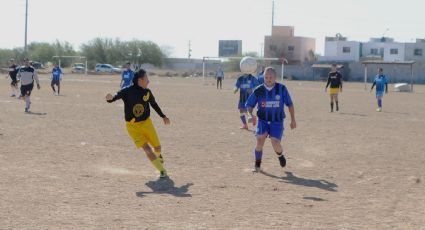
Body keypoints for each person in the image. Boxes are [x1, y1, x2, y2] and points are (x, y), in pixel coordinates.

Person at [106, 69, 170, 178]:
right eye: (147, 79)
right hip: (132, 127)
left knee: (158, 148)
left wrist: (163, 116)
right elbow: (115, 97)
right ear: (140, 80)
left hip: (146, 123)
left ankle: (158, 157)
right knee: (147, 148)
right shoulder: (127, 91)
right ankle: (162, 170)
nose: (148, 81)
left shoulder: (147, 92)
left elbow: (154, 104)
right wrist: (110, 98)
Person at [246, 67, 296, 172]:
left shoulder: (282, 89)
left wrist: (293, 120)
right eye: (266, 77)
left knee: (275, 142)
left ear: (275, 78)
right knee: (260, 139)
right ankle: (257, 165)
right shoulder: (258, 90)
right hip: (262, 121)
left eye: (271, 77)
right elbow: (249, 106)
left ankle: (280, 155)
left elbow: (290, 105)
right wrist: (250, 115)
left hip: (277, 122)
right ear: (263, 77)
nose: (268, 79)